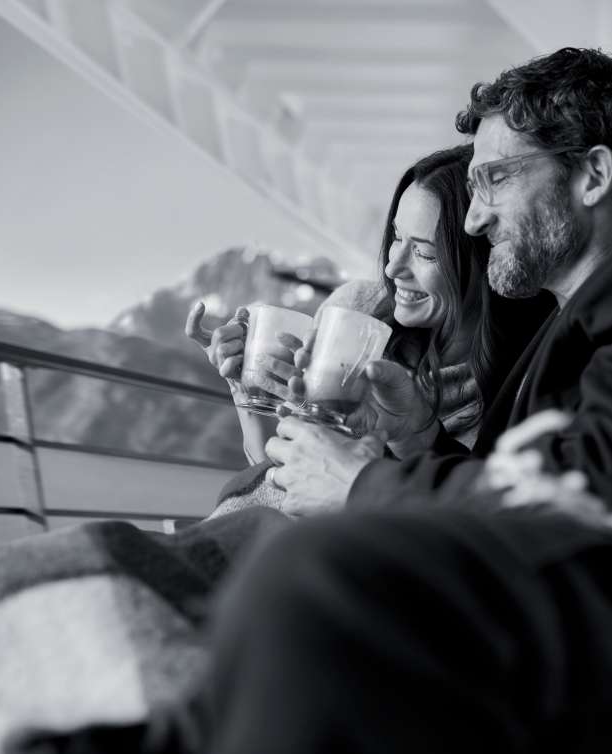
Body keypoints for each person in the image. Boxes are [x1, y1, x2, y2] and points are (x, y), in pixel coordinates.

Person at [184, 47, 612, 753]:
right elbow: (544, 492)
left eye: (494, 180)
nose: (473, 220)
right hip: (597, 600)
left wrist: (366, 484)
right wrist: (420, 441)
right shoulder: (560, 338)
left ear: (593, 175)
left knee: (304, 570)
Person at [187, 145, 552, 516]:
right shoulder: (355, 309)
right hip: (257, 523)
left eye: (425, 253)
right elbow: (272, 467)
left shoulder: (519, 394)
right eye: (396, 237)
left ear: (488, 263)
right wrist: (245, 390)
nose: (393, 267)